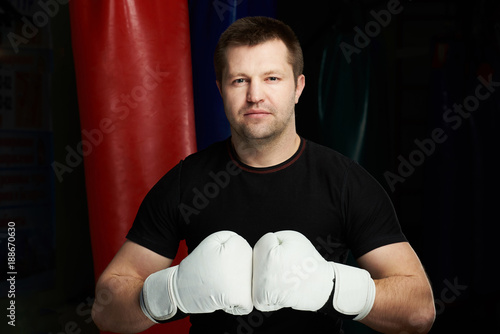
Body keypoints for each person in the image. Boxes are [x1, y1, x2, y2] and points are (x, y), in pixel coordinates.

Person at [91, 16, 435, 334]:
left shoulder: (344, 182)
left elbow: (419, 310)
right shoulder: (187, 183)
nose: (255, 95)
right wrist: (171, 292)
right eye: (240, 80)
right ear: (221, 89)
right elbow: (105, 310)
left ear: (298, 87)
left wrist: (331, 285)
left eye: (272, 78)